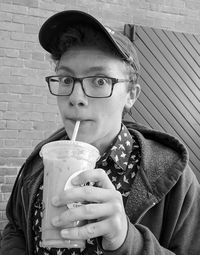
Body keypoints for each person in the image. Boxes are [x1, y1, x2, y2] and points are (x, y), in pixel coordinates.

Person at [1, 10, 200, 255]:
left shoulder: (175, 179)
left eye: (100, 81)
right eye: (65, 80)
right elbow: (16, 227)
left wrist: (128, 241)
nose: (75, 98)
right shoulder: (40, 162)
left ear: (131, 95)